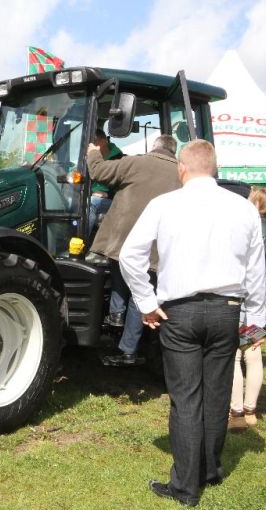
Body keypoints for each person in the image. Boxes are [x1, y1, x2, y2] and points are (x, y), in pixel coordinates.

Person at [119, 139, 266, 506]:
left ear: (181, 168)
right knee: (216, 396)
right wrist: (254, 322)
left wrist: (147, 303)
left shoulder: (164, 204)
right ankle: (209, 470)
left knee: (186, 399)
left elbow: (129, 256)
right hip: (226, 310)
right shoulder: (243, 208)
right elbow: (256, 272)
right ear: (214, 168)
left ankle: (186, 488)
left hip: (179, 312)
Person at [86, 134, 180, 365]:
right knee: (142, 293)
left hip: (123, 241)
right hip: (157, 247)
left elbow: (98, 171)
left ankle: (117, 316)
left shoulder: (137, 162)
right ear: (174, 151)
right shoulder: (181, 173)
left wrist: (93, 151)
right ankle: (127, 347)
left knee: (119, 265)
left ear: (154, 147)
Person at [229, 186, 266, 430]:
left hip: (246, 296)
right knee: (253, 352)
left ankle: (236, 411)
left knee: (233, 354)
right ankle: (251, 410)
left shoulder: (251, 230)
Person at [87, 129, 123, 238]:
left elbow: (124, 186)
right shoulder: (88, 159)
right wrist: (91, 191)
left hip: (112, 200)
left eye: (93, 142)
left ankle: (81, 244)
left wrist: (108, 194)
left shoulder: (119, 160)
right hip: (90, 195)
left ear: (103, 141)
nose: (90, 147)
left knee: (91, 203)